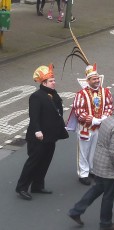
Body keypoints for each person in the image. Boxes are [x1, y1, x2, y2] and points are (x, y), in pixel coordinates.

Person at [68, 100, 114, 230]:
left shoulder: (107, 120)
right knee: (108, 196)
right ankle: (105, 223)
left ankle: (76, 211)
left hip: (99, 162)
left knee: (96, 189)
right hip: (109, 168)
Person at [15, 64, 69, 200]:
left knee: (45, 161)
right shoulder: (36, 96)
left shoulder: (54, 95)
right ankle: (21, 187)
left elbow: (57, 113)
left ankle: (37, 185)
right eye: (51, 81)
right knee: (34, 162)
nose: (54, 82)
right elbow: (34, 116)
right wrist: (37, 130)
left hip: (51, 136)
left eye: (54, 80)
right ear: (44, 82)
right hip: (38, 137)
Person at [68, 64, 114, 185]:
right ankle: (83, 174)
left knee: (96, 150)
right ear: (88, 80)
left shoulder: (106, 92)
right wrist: (92, 119)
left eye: (98, 78)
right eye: (94, 79)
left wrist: (105, 116)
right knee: (83, 151)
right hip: (85, 127)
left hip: (100, 127)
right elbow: (78, 111)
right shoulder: (81, 94)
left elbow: (110, 106)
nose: (97, 80)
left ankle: (92, 170)